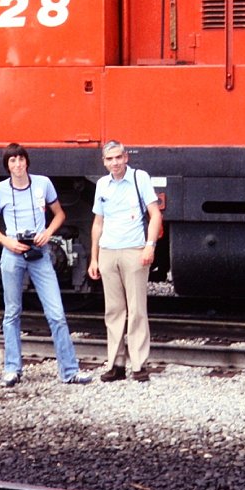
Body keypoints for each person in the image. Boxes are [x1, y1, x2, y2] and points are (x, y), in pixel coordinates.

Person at [0, 143, 91, 387]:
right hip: (12, 255)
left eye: (21, 159)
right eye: (12, 161)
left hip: (40, 254)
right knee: (12, 313)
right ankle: (12, 369)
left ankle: (70, 372)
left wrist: (48, 232)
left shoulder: (43, 184)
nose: (18, 164)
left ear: (27, 162)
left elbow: (60, 214)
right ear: (7, 165)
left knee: (57, 314)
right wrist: (7, 242)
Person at [86, 140, 163, 383]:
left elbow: (155, 215)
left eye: (118, 157)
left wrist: (149, 246)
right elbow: (98, 223)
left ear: (126, 157)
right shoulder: (102, 185)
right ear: (104, 162)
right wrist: (94, 258)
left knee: (137, 309)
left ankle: (139, 365)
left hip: (134, 251)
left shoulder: (140, 178)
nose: (115, 163)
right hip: (108, 251)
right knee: (114, 311)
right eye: (110, 159)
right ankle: (116, 364)